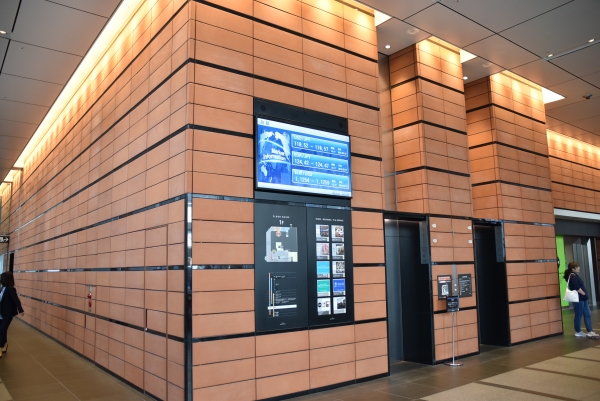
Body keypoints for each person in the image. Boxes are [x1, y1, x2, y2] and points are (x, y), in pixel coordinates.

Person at [564, 262, 598, 338]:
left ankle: (590, 331)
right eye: (577, 267)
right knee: (579, 315)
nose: (579, 268)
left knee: (587, 314)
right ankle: (578, 331)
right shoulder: (572, 276)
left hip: (582, 298)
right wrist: (584, 294)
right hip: (579, 299)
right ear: (573, 269)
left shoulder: (574, 275)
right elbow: (577, 287)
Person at [0, 272, 24, 357]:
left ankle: (1, 347)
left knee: (2, 329)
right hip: (1, 313)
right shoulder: (2, 288)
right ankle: (5, 344)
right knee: (2, 329)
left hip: (8, 313)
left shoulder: (10, 289)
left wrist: (20, 310)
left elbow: (16, 299)